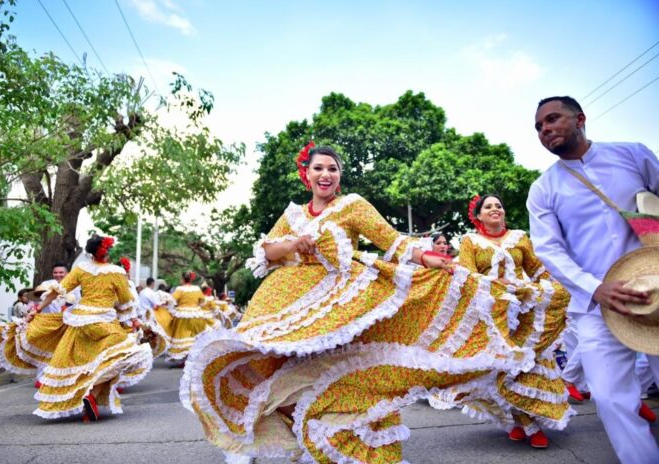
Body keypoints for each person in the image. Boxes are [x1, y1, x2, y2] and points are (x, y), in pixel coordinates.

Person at [180, 143, 556, 463]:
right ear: (306, 175)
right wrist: (295, 244)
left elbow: (393, 241)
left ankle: (366, 446)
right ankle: (250, 434)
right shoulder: (293, 214)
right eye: (319, 169)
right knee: (264, 361)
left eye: (333, 169)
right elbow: (268, 251)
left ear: (339, 176)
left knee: (352, 369)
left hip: (342, 303)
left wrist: (427, 259)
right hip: (286, 301)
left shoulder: (353, 206)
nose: (326, 174)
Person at [527, 95, 659, 462]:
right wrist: (595, 288)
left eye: (552, 119)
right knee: (610, 397)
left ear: (580, 118)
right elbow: (549, 250)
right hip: (597, 305)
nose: (545, 129)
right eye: (539, 127)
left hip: (656, 290)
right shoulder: (543, 189)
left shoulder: (633, 154)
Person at [0, 235, 153, 422]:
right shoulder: (116, 272)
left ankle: (89, 403)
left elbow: (58, 290)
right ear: (106, 252)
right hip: (103, 323)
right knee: (127, 355)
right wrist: (135, 322)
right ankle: (91, 394)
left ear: (90, 252)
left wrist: (35, 310)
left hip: (78, 323)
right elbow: (126, 302)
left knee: (82, 364)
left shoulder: (81, 269)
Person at [455, 193, 571, 448]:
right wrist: (497, 284)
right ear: (478, 216)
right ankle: (526, 424)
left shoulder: (519, 237)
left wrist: (557, 288)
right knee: (504, 367)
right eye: (488, 206)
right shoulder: (470, 241)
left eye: (499, 205)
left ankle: (526, 421)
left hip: (525, 311)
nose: (495, 209)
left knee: (529, 365)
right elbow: (466, 277)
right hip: (493, 313)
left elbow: (538, 270)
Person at [166, 272, 219, 362]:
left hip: (182, 315)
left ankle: (185, 358)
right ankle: (193, 357)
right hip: (196, 314)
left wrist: (173, 307)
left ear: (183, 279)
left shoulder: (180, 289)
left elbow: (171, 300)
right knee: (195, 336)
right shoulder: (197, 289)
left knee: (183, 336)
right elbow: (202, 301)